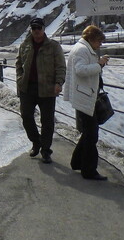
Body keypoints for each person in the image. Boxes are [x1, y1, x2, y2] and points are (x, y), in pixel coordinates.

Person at [15, 17, 66, 164]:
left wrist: (58, 82)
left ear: (44, 29)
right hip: (27, 88)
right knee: (26, 117)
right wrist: (20, 78)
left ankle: (45, 150)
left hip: (47, 89)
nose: (36, 31)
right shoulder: (25, 45)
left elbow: (61, 67)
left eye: (39, 28)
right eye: (34, 28)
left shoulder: (53, 46)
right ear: (31, 30)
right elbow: (18, 63)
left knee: (47, 122)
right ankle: (36, 142)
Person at [63, 25, 110, 181]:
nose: (100, 45)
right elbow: (80, 70)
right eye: (99, 41)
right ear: (91, 39)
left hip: (85, 95)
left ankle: (77, 162)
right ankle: (88, 170)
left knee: (89, 132)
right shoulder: (82, 50)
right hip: (84, 96)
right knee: (92, 135)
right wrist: (100, 64)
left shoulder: (82, 48)